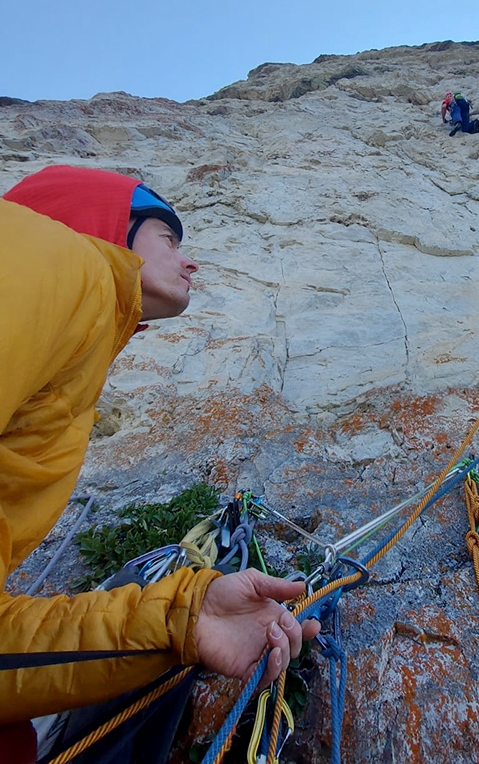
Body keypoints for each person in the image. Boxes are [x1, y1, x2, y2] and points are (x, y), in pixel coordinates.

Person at [0, 165, 319, 761]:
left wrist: (181, 621)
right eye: (168, 239)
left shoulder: (75, 315)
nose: (189, 261)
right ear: (107, 224)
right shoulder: (51, 261)